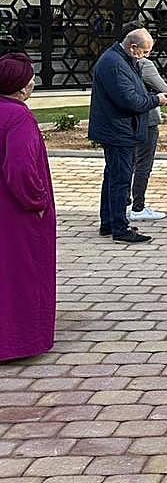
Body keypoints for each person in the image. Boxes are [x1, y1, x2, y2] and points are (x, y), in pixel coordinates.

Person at [88, 27, 167, 244]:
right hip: (118, 130)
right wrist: (156, 100)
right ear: (133, 46)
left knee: (113, 176)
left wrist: (151, 96)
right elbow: (130, 100)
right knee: (120, 179)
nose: (144, 56)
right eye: (143, 52)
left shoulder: (122, 59)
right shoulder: (114, 63)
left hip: (121, 129)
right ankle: (119, 228)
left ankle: (109, 221)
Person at [0, 53, 56, 361]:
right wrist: (36, 201)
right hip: (15, 214)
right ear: (22, 86)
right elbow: (20, 168)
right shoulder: (19, 117)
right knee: (20, 275)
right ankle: (19, 340)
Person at [117, 21, 167, 222]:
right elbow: (162, 87)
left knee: (127, 164)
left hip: (126, 121)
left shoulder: (118, 62)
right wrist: (158, 96)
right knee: (143, 164)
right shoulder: (143, 64)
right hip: (146, 120)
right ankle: (138, 206)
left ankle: (125, 204)